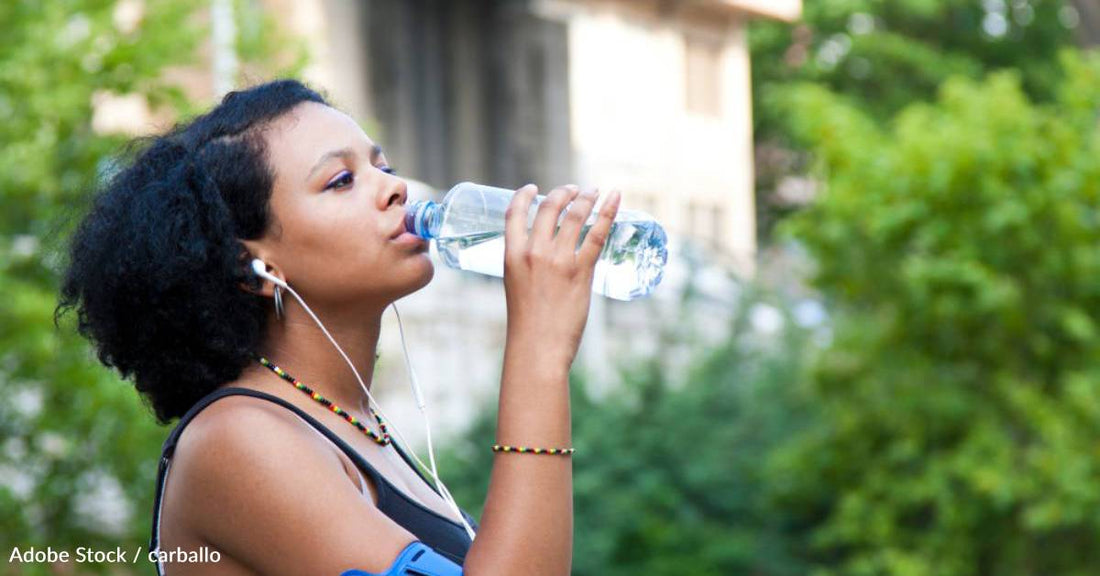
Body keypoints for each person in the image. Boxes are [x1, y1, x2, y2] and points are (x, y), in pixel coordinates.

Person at [55, 79, 620, 575]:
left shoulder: (356, 425)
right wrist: (539, 351)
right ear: (255, 267)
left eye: (383, 166)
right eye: (342, 181)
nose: (394, 189)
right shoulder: (237, 440)